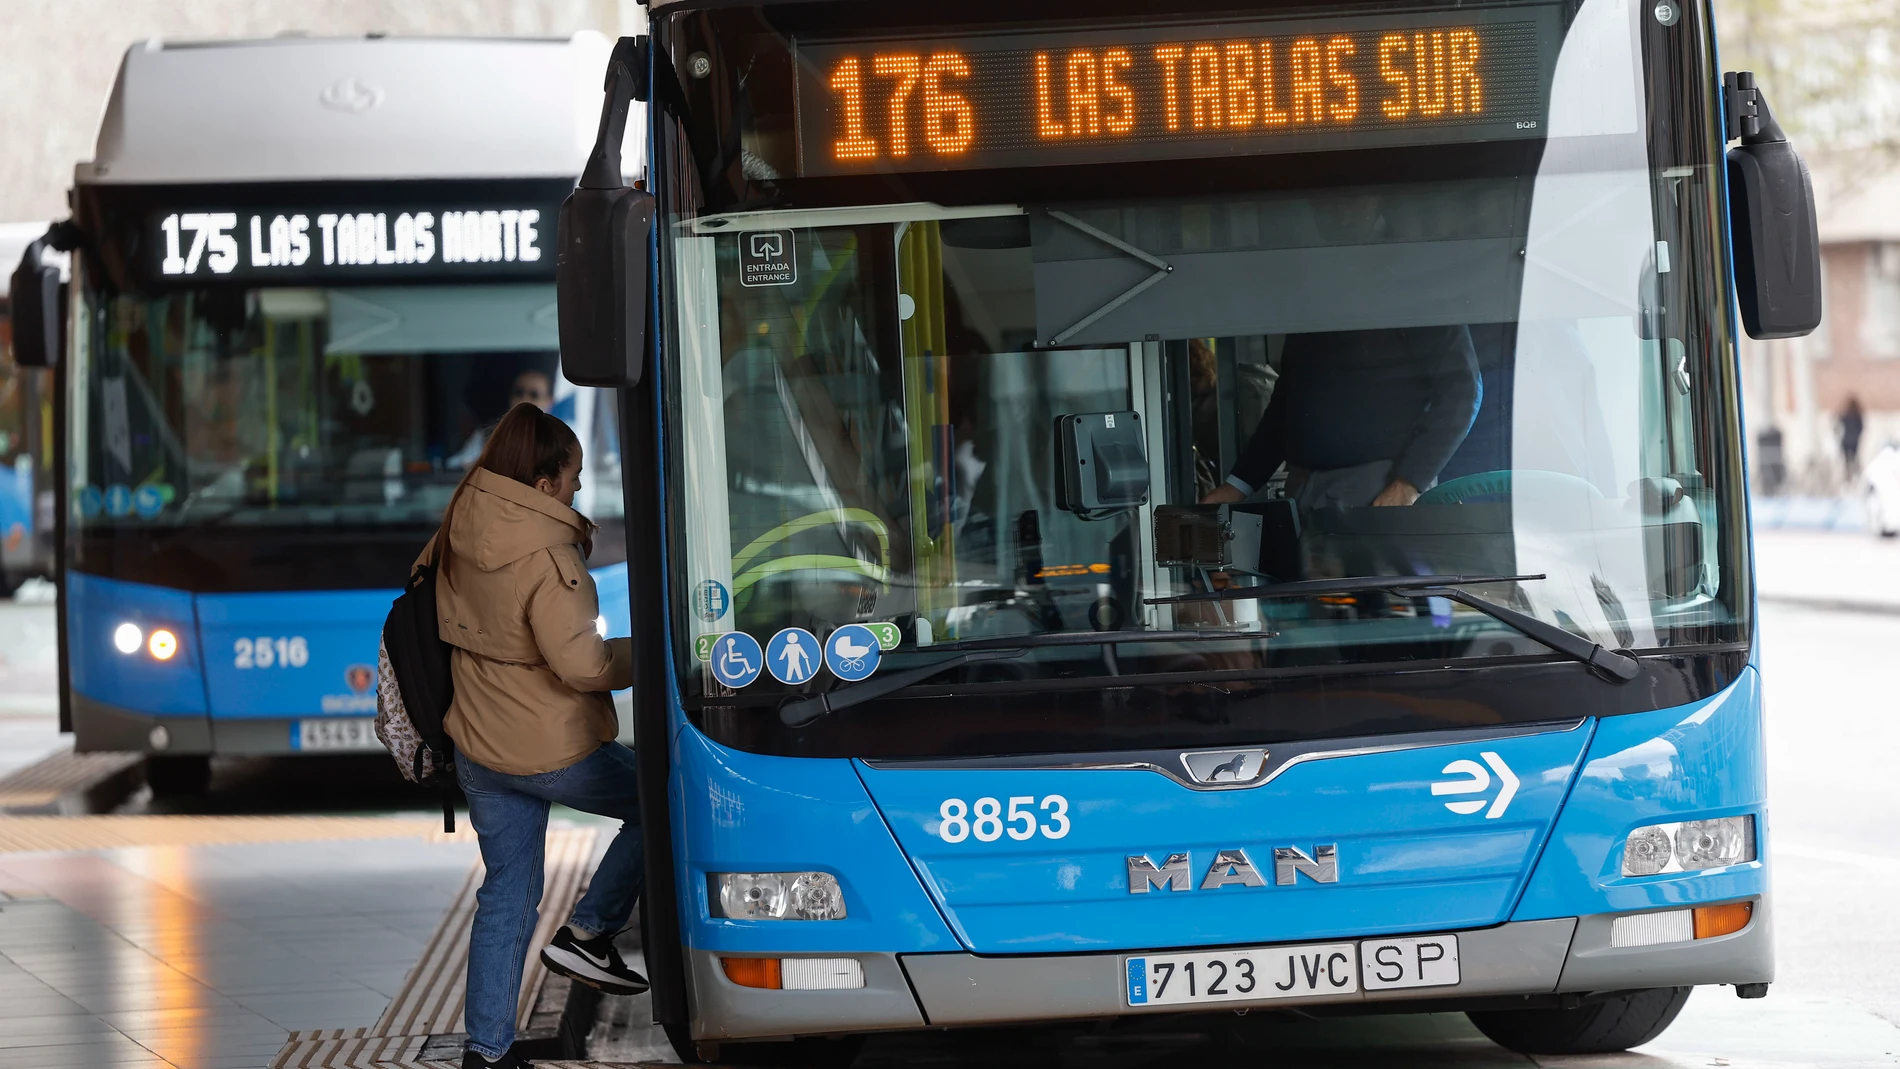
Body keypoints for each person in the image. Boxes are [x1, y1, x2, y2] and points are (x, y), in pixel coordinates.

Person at [421, 403, 645, 1069]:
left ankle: (487, 1050)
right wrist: (650, 656)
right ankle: (590, 931)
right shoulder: (547, 552)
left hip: (479, 746)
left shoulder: (458, 526)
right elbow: (583, 663)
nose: (578, 488)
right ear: (544, 484)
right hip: (550, 748)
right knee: (663, 800)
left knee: (507, 893)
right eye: (573, 476)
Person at [1202, 327, 1481, 509]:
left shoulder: (1414, 295)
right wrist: (1239, 484)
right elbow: (1285, 405)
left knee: (1373, 598)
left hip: (1377, 488)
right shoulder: (1316, 305)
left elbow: (1462, 392)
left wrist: (1408, 484)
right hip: (1302, 489)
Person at [449, 368, 557, 469]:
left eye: (534, 395)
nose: (524, 398)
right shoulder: (489, 434)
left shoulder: (557, 443)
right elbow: (455, 466)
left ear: (549, 401)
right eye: (519, 392)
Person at [1841, 395, 1866, 478]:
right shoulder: (1856, 415)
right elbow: (1861, 427)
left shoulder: (1847, 415)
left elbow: (1838, 422)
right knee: (1854, 460)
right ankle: (1855, 475)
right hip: (1853, 441)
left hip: (1847, 441)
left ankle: (1850, 476)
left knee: (1848, 461)